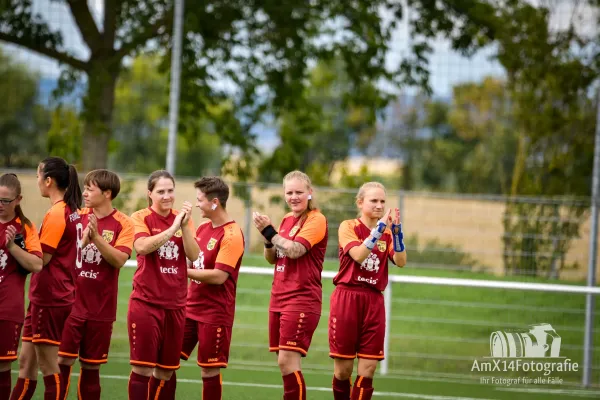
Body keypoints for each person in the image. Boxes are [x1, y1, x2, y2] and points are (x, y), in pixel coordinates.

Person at [56, 169, 134, 400]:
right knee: (62, 362)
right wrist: (84, 240)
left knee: (91, 368)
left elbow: (119, 260)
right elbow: (64, 256)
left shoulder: (124, 223)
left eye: (91, 189)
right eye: (85, 188)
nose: (86, 193)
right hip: (70, 306)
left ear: (107, 193)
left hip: (101, 309)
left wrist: (97, 238)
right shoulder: (74, 216)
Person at [10, 157, 82, 400]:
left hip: (51, 296)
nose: (37, 180)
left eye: (39, 175)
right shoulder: (70, 210)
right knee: (26, 363)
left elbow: (43, 260)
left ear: (49, 181)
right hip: (47, 295)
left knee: (49, 367)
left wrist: (14, 246)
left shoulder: (58, 212)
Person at [253, 170, 328, 400]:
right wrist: (268, 240)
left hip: (301, 298)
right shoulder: (286, 219)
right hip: (279, 296)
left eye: (299, 192)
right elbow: (273, 258)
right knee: (283, 362)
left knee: (287, 361)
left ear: (309, 192)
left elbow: (295, 250)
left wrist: (270, 232)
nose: (294, 197)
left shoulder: (316, 219)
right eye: (289, 192)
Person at [329, 182, 407, 400]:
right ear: (360, 202)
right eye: (374, 200)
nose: (379, 205)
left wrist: (397, 234)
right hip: (347, 298)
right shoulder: (348, 226)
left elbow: (401, 261)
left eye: (383, 201)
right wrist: (379, 230)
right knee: (343, 370)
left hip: (373, 301)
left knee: (369, 368)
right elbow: (359, 255)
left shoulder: (388, 233)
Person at [128, 170, 200, 400]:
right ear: (150, 194)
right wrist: (172, 229)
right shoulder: (140, 217)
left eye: (170, 191)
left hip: (176, 305)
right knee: (142, 368)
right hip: (146, 304)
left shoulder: (184, 219)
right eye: (161, 191)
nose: (167, 196)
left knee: (166, 372)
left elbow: (194, 254)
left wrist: (185, 226)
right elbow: (141, 247)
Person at [181, 177, 245, 399]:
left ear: (215, 202)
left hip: (215, 312)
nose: (197, 204)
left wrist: (182, 273)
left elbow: (219, 276)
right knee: (166, 360)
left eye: (200, 199)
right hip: (189, 308)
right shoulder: (203, 226)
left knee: (208, 369)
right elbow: (192, 260)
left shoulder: (232, 234)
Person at [0, 173, 43, 400]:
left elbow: (37, 264)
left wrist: (13, 247)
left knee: (2, 368)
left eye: (6, 200)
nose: (0, 205)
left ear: (18, 200)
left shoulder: (24, 228)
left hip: (7, 309)